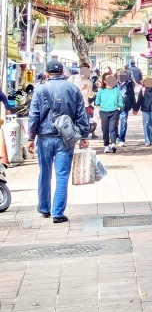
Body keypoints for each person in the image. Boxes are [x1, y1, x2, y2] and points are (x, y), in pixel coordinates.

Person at [26, 60, 90, 223]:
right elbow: (81, 115)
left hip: (44, 137)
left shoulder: (40, 89)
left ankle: (44, 208)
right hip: (65, 138)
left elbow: (34, 115)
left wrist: (30, 138)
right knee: (62, 175)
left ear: (47, 74)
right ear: (63, 73)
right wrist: (83, 136)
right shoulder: (73, 89)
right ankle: (58, 212)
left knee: (45, 173)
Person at [95, 74, 123, 153]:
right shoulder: (101, 90)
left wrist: (118, 108)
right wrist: (99, 110)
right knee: (105, 129)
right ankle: (106, 145)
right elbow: (97, 102)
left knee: (113, 128)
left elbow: (120, 100)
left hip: (114, 111)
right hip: (103, 112)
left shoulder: (116, 90)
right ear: (104, 81)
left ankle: (113, 143)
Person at [116, 71, 137, 146]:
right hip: (114, 106)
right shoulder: (114, 83)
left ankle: (121, 139)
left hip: (125, 106)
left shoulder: (129, 84)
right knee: (114, 123)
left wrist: (135, 107)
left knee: (123, 122)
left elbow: (132, 95)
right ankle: (115, 137)